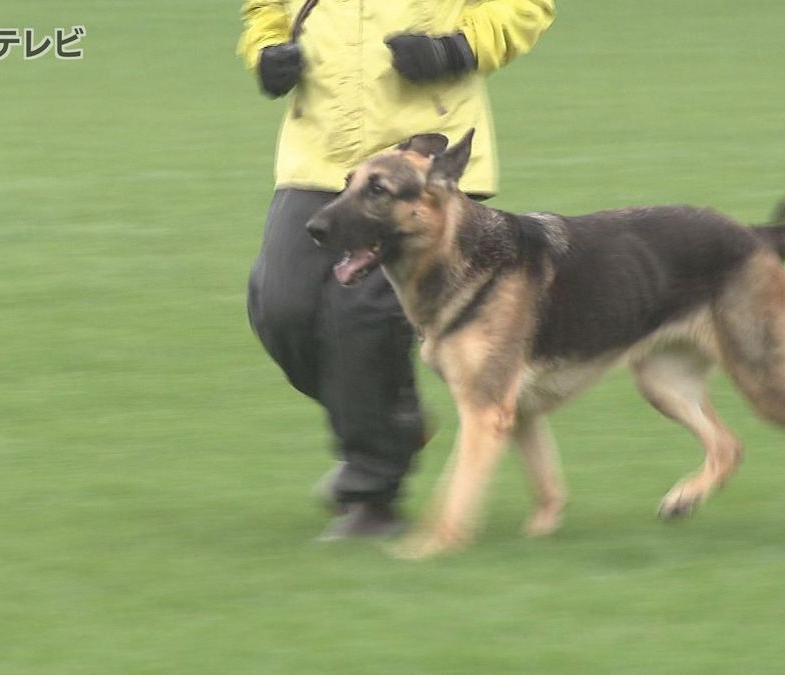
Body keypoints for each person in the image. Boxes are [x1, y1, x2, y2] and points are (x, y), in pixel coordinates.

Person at [238, 0, 555, 539]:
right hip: (319, 151)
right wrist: (265, 52)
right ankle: (393, 423)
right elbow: (264, 8)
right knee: (280, 307)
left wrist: (458, 48)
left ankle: (370, 494)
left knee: (360, 319)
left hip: (425, 164)